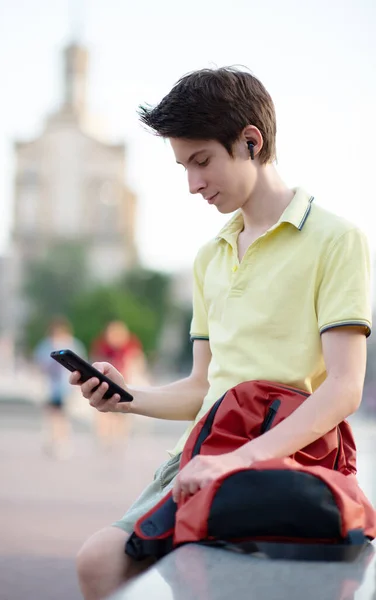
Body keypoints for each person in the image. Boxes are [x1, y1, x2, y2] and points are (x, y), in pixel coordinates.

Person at [71, 67, 371, 600]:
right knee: (97, 563)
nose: (192, 184)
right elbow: (202, 387)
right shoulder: (210, 255)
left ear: (250, 142)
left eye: (201, 161)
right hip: (205, 451)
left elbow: (344, 388)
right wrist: (125, 398)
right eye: (184, 166)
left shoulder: (336, 240)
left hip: (285, 456)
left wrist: (239, 459)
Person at [34, 316, 86, 459]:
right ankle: (53, 440)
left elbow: (81, 364)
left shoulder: (73, 345)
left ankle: (62, 441)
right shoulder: (46, 345)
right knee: (52, 415)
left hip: (67, 387)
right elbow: (41, 365)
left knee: (63, 416)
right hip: (51, 387)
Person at [90, 321, 148, 447]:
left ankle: (120, 440)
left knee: (122, 414)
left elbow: (138, 364)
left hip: (125, 383)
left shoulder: (131, 347)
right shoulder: (104, 347)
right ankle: (105, 439)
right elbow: (96, 360)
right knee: (105, 412)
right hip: (106, 383)